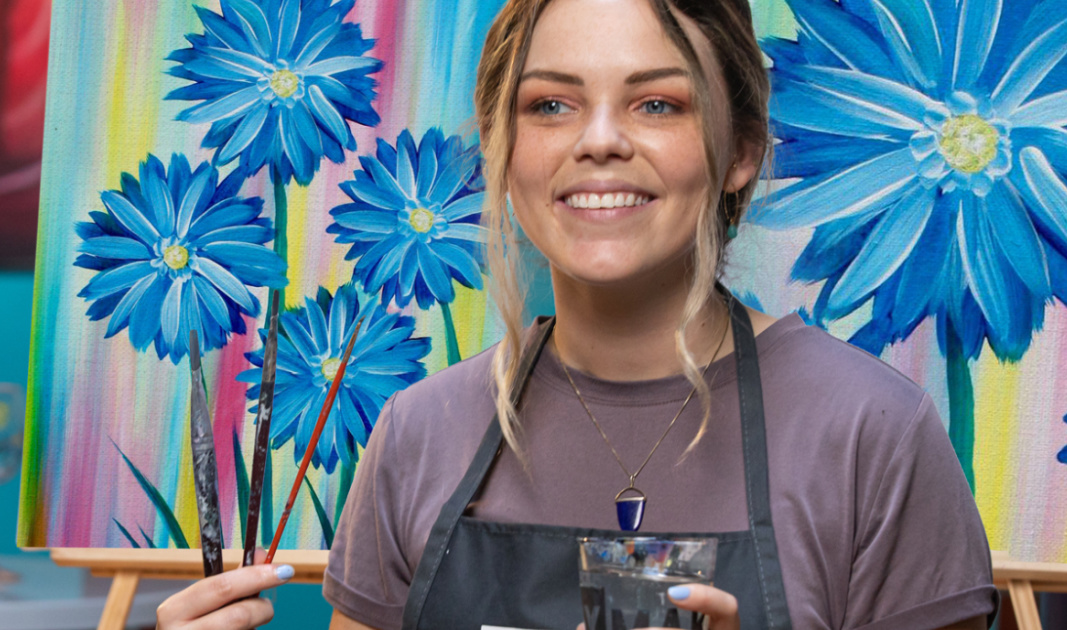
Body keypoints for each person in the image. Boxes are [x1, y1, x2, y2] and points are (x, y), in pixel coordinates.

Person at [156, 0, 998, 628]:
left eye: (657, 103)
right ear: (502, 147)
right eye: (550, 104)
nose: (599, 140)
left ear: (740, 151)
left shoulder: (874, 434)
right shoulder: (419, 434)